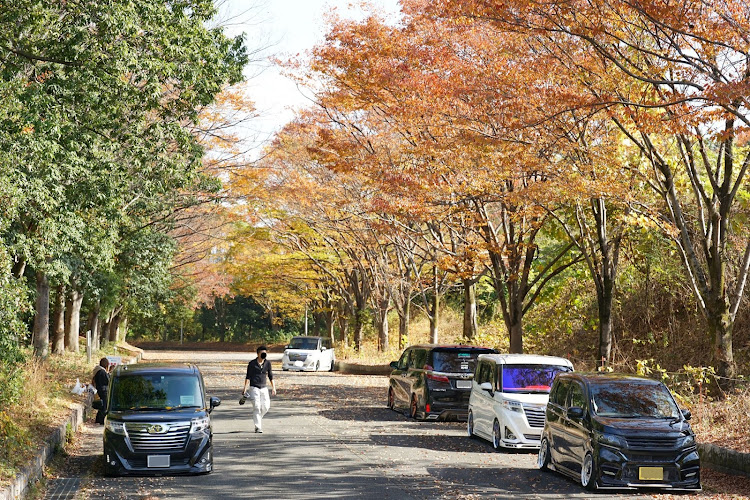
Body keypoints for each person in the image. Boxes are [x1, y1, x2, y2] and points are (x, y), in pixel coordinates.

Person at [241, 345, 276, 433]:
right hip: (254, 387)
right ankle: (258, 427)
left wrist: (273, 388)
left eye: (265, 353)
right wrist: (245, 388)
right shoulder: (252, 364)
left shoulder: (267, 363)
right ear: (258, 354)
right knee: (257, 407)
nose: (264, 354)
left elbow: (270, 376)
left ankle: (258, 418)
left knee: (266, 406)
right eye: (262, 353)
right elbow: (248, 376)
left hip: (264, 388)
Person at [92, 357, 110, 425]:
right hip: (103, 390)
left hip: (100, 389)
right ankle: (101, 420)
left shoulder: (98, 370)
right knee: (104, 406)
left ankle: (99, 419)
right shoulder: (102, 372)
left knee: (102, 406)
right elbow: (107, 381)